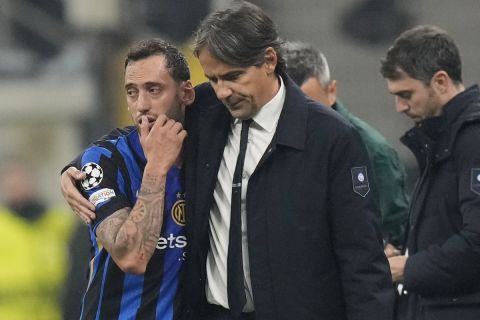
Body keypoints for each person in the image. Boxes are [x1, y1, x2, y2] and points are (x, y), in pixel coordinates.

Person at [61, 2, 394, 320]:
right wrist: (79, 169)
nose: (222, 91)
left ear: (268, 60)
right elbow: (142, 127)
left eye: (233, 76)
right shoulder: (208, 111)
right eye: (214, 78)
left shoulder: (329, 138)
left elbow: (362, 263)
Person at [61, 38, 194, 319]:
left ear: (186, 93)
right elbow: (131, 256)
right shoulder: (102, 161)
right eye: (132, 92)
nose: (142, 105)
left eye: (154, 90)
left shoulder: (211, 150)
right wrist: (157, 168)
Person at [380, 25, 480, 320]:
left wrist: (407, 269)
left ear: (440, 82)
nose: (399, 107)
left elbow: (477, 242)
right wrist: (406, 254)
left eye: (406, 94)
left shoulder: (472, 137)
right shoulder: (443, 138)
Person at [282, 41, 409, 250]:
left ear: (331, 91)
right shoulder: (263, 142)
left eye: (310, 106)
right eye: (288, 108)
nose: (300, 118)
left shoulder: (373, 151)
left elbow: (394, 235)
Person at [0, 163, 75, 320]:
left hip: (51, 310)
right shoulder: (3, 224)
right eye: (11, 185)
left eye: (21, 182)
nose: (17, 190)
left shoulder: (59, 222)